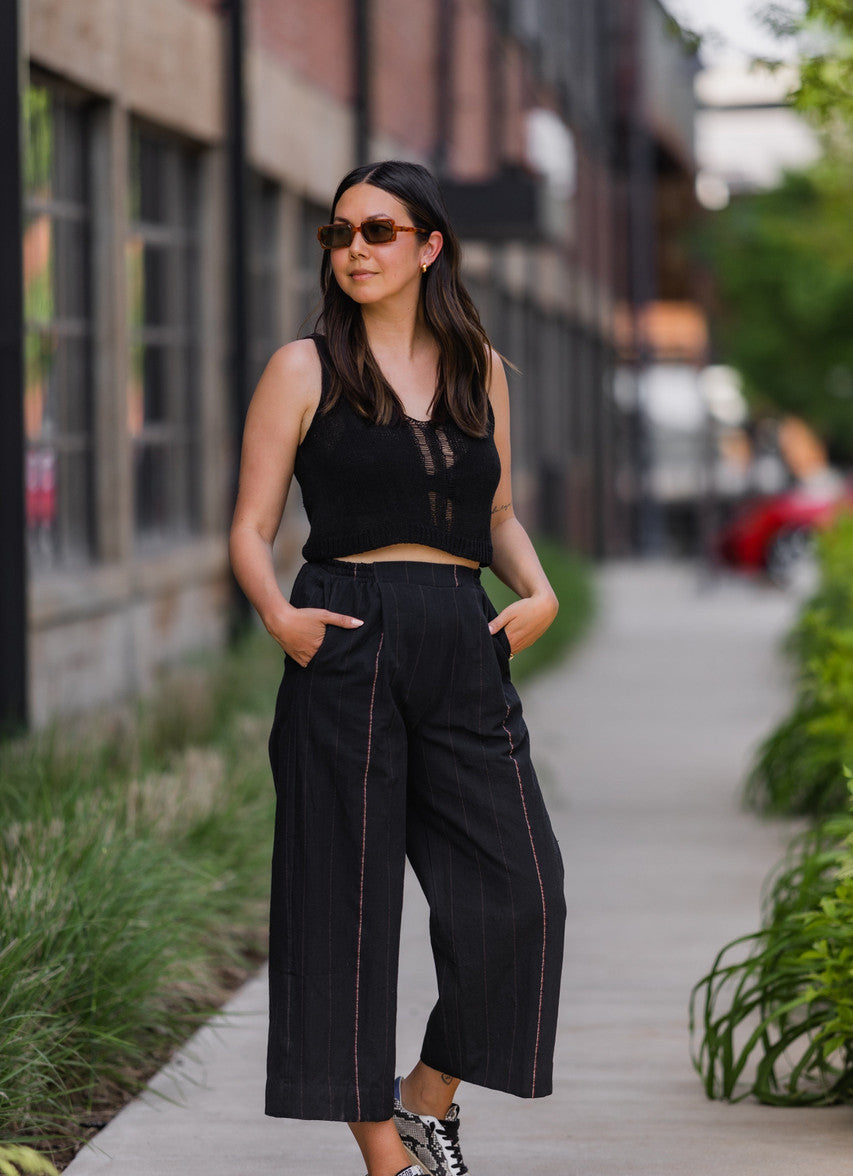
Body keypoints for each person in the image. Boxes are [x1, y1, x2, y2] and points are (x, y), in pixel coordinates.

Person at [229, 160, 566, 1176]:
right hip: (346, 629)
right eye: (338, 233)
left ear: (429, 246)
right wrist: (280, 615)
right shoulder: (303, 368)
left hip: (463, 634)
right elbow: (249, 526)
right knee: (348, 905)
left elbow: (495, 513)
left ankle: (426, 1099)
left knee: (524, 892)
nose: (355, 250)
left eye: (378, 230)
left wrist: (538, 590)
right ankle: (388, 1159)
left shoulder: (481, 368)